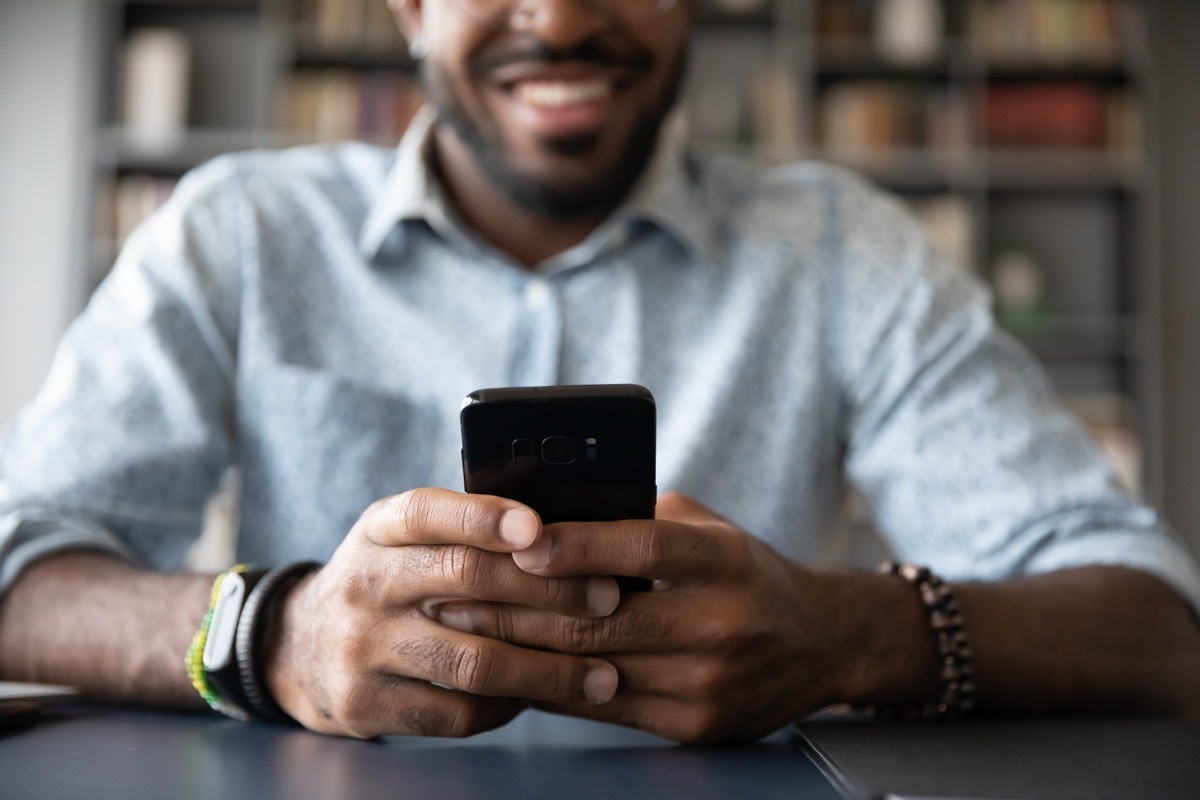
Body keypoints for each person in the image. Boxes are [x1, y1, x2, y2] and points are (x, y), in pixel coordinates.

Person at [2, 0, 1199, 745]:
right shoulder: (239, 232)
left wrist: (846, 633)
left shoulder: (850, 250)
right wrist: (275, 631)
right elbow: (18, 565)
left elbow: (1155, 626)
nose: (561, 16)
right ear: (411, 7)